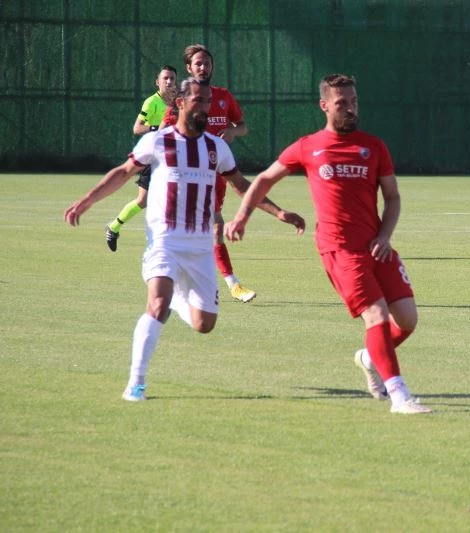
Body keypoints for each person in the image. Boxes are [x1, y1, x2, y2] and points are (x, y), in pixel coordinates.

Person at [64, 77, 305, 402]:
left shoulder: (215, 147)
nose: (204, 107)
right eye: (198, 100)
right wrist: (87, 200)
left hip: (200, 247)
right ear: (179, 103)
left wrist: (278, 213)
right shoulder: (158, 141)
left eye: (207, 101)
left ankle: (179, 297)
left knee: (204, 324)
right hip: (164, 241)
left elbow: (242, 186)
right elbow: (123, 172)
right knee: (157, 304)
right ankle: (136, 383)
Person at [224, 74, 432, 415]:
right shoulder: (308, 146)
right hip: (339, 248)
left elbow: (392, 198)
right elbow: (263, 178)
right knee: (376, 315)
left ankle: (369, 356)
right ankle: (400, 396)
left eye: (353, 102)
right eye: (342, 103)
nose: (350, 109)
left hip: (376, 245)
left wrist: (384, 236)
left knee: (407, 320)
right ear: (324, 106)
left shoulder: (374, 146)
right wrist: (243, 216)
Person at [163, 43, 256, 303]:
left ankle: (182, 285)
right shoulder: (182, 100)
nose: (204, 68)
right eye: (198, 64)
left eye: (207, 63)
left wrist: (233, 132)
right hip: (188, 176)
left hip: (217, 174)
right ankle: (232, 283)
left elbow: (243, 125)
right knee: (214, 226)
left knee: (204, 230)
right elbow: (164, 132)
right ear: (188, 68)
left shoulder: (224, 96)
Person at [105, 65, 177, 252]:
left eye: (172, 79)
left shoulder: (179, 102)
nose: (169, 82)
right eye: (165, 78)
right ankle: (114, 227)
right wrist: (157, 129)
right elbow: (137, 128)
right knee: (142, 201)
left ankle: (171, 243)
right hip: (153, 157)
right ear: (158, 81)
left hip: (173, 158)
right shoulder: (151, 102)